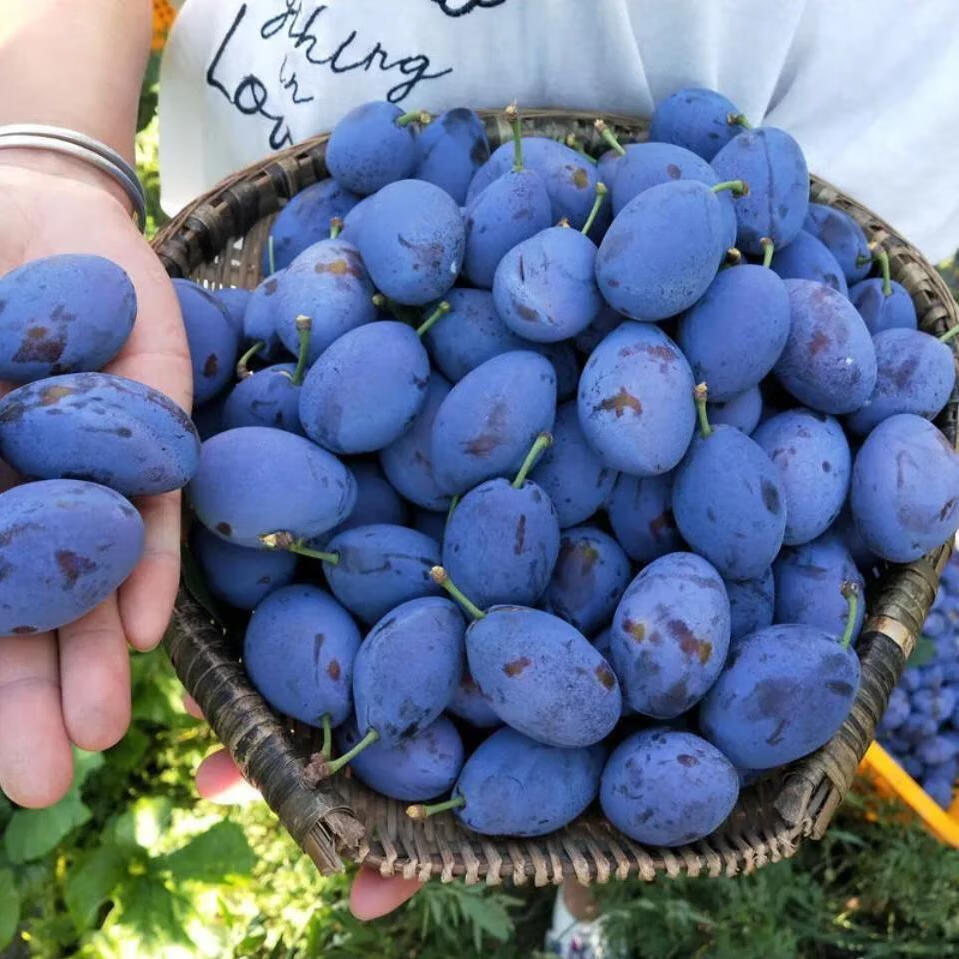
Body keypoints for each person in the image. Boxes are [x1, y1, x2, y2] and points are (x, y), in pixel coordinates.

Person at [2, 0, 959, 940]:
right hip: (303, 150)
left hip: (767, 124)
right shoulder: (409, 327)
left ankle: (578, 900)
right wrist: (48, 145)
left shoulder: (704, 279)